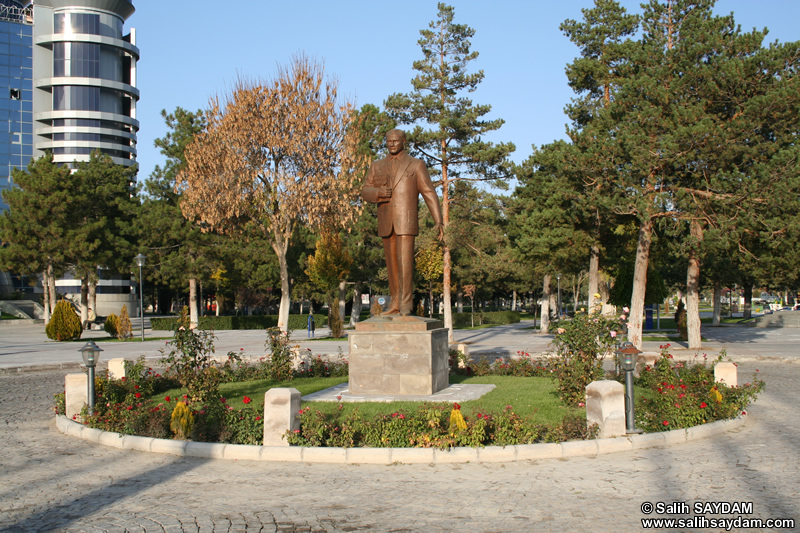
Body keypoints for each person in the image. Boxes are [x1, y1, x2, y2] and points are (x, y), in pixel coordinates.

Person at [362, 129, 443, 316]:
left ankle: (406, 305)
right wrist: (378, 193)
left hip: (406, 221)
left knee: (405, 263)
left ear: (403, 142)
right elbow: (365, 190)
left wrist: (438, 220)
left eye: (395, 141)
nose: (392, 144)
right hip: (386, 221)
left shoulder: (416, 165)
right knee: (392, 266)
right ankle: (395, 303)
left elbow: (429, 192)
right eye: (389, 141)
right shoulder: (377, 165)